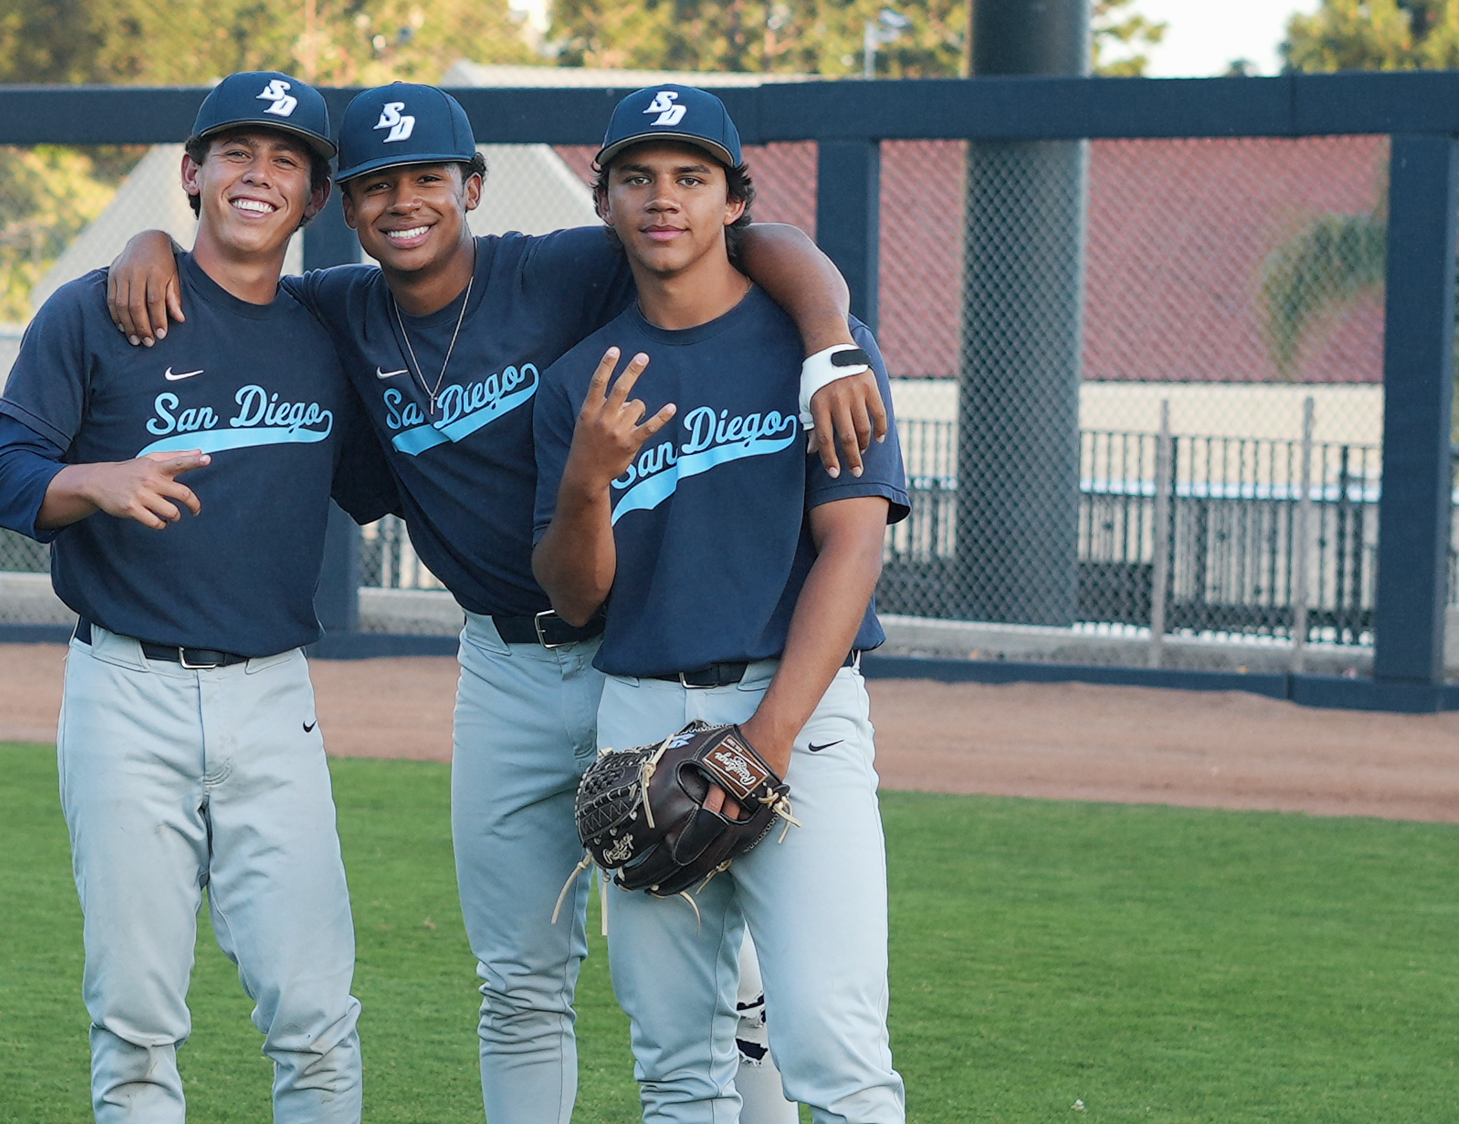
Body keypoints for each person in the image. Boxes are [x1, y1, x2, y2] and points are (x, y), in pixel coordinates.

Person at [103, 81, 882, 1124]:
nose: (403, 202)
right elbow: (230, 287)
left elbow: (755, 238)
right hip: (509, 667)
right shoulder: (336, 309)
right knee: (520, 976)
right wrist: (148, 241)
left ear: (471, 185)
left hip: (631, 653)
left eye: (428, 177)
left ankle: (750, 1015)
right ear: (346, 204)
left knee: (744, 981)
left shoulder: (562, 266)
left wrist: (830, 335)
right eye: (377, 184)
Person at [0, 71, 397, 1124]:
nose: (258, 173)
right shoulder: (99, 310)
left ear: (312, 199)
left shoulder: (330, 335)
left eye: (286, 159)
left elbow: (397, 476)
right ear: (191, 174)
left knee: (315, 1018)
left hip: (270, 699)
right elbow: (2, 477)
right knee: (133, 1020)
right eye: (236, 153)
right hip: (125, 691)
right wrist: (93, 481)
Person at [531, 85, 911, 1123]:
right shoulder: (576, 381)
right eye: (639, 178)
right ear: (603, 200)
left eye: (691, 178)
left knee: (834, 1049)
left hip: (799, 716)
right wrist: (584, 480)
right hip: (642, 724)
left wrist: (766, 740)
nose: (665, 200)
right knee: (674, 1067)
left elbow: (853, 543)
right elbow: (574, 597)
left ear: (732, 200)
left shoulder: (823, 350)